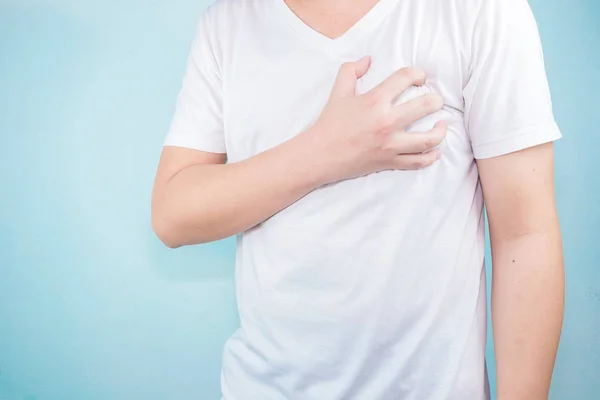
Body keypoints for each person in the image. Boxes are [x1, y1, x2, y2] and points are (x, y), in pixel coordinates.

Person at [151, 0, 565, 398]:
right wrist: (324, 151)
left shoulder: (478, 10)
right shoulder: (225, 25)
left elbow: (525, 233)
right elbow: (173, 214)